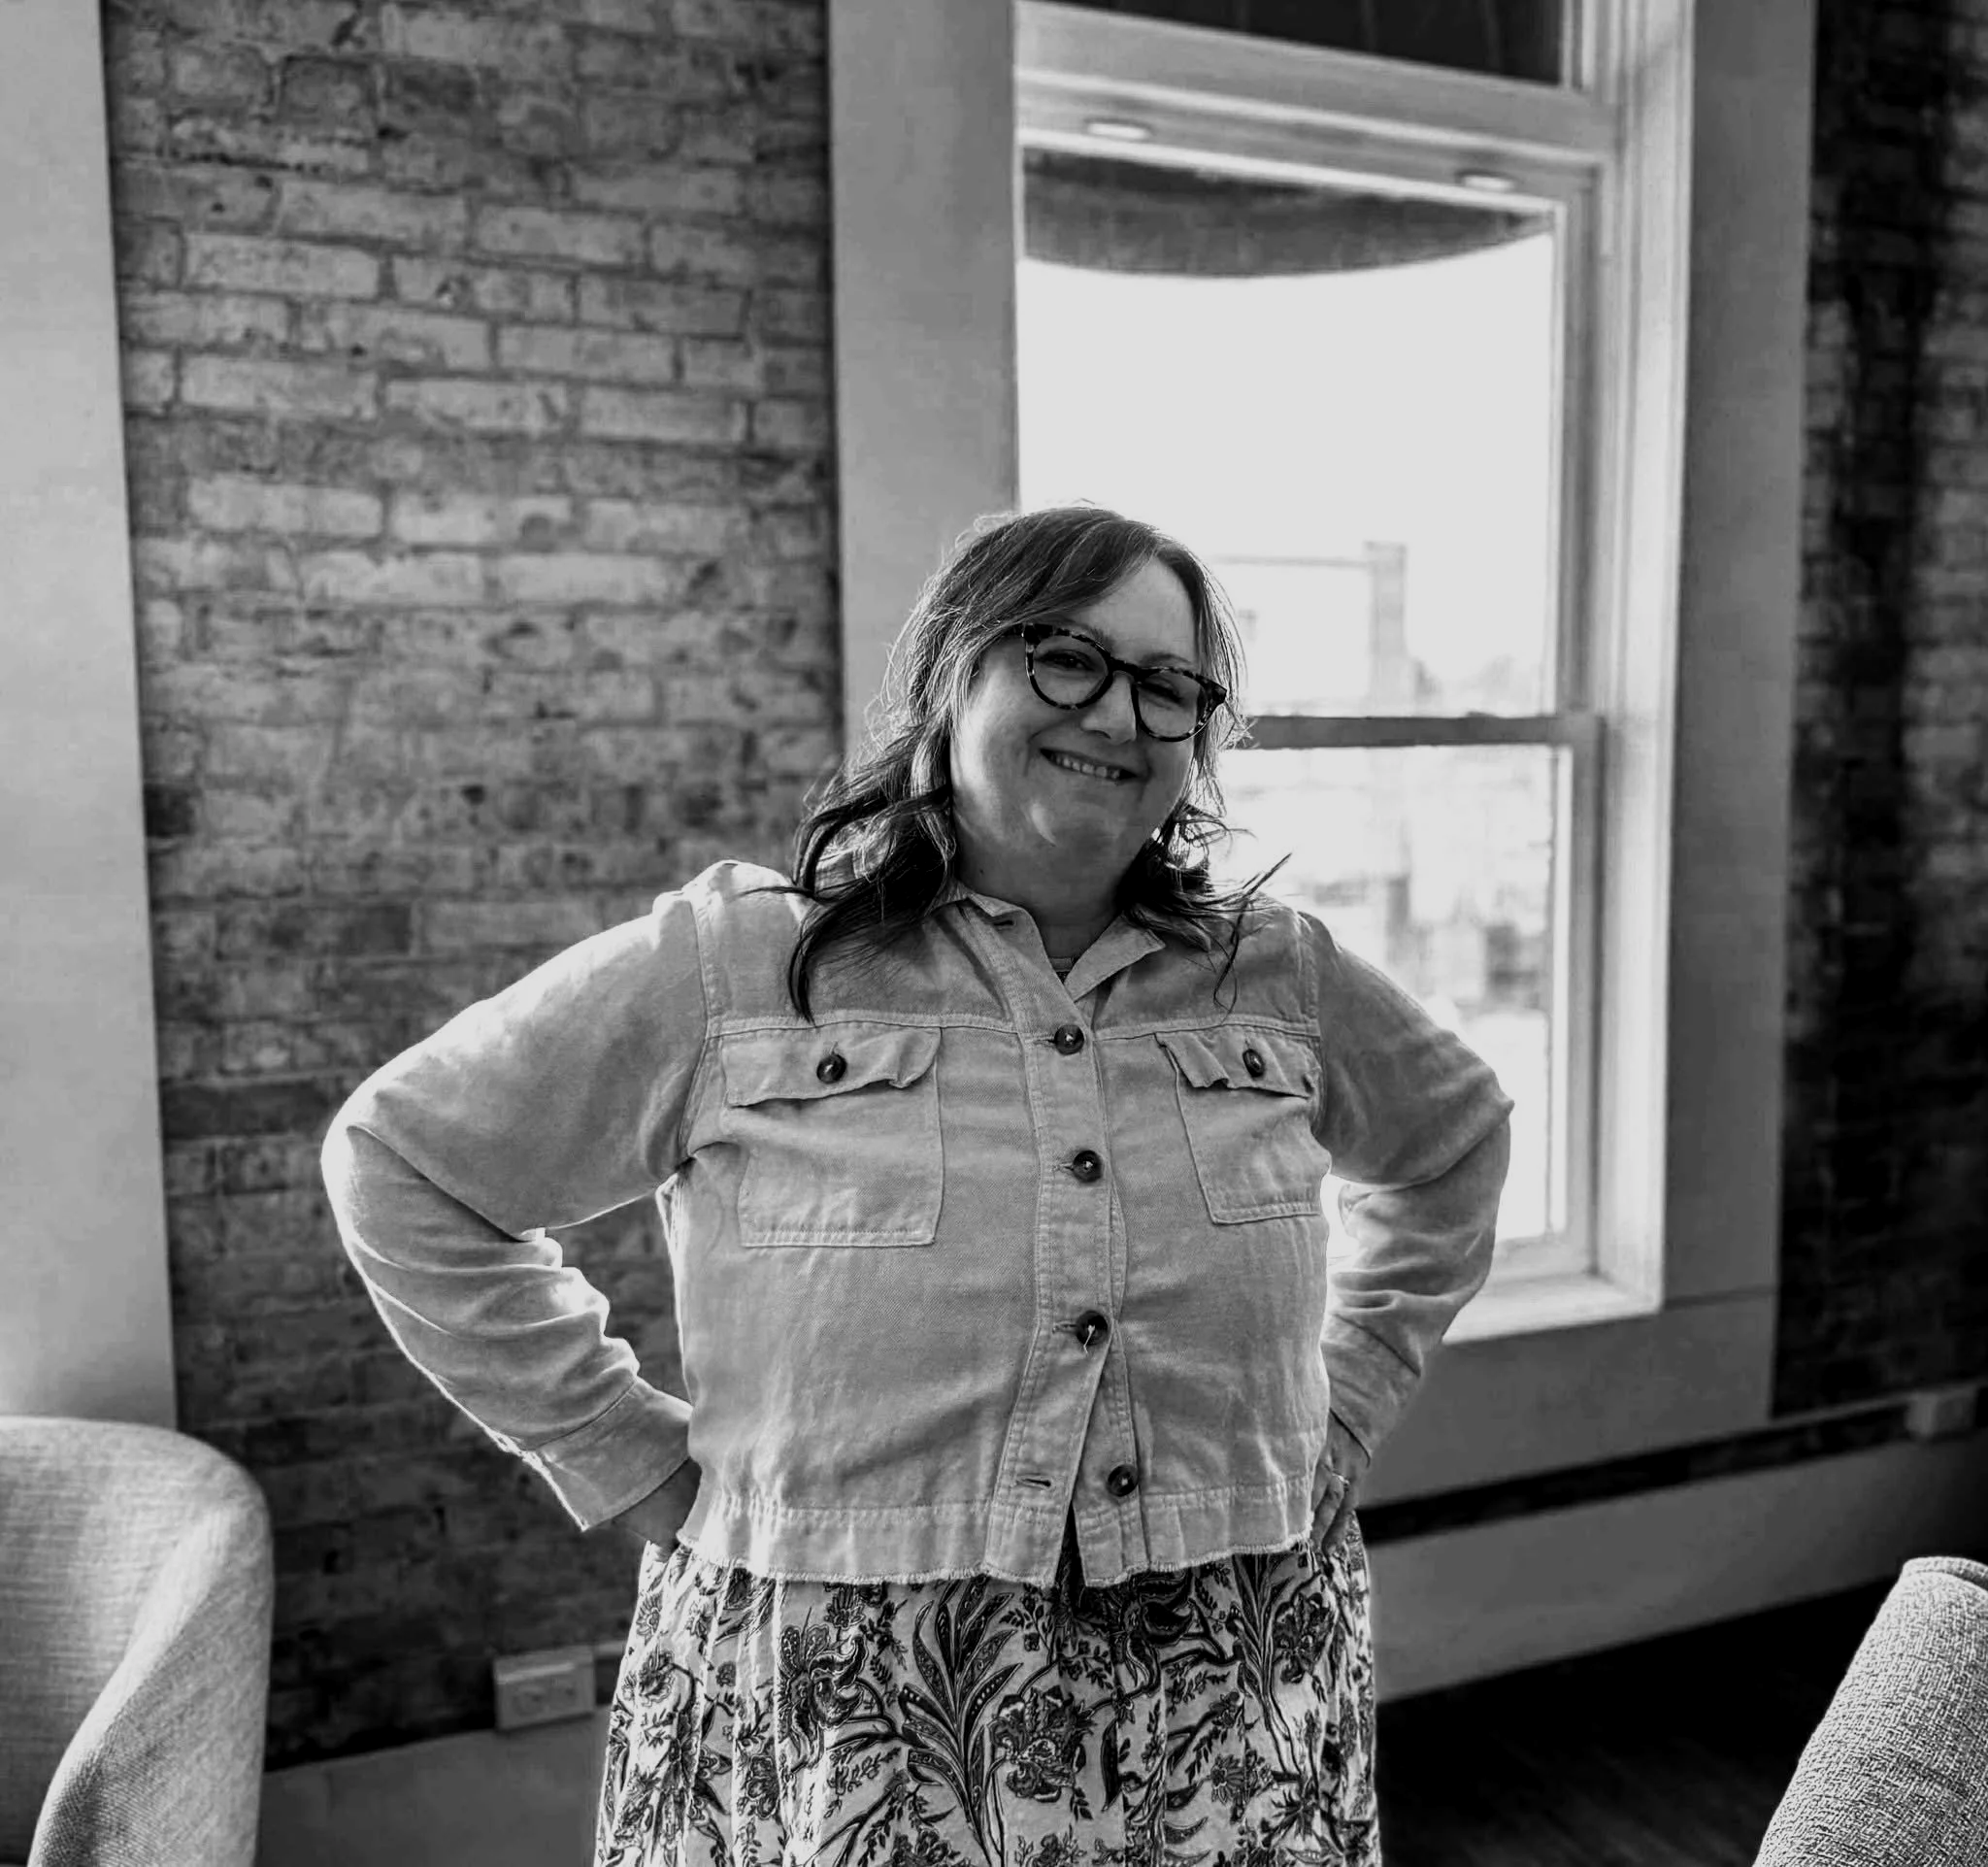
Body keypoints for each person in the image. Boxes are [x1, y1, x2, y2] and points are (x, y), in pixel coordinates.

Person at [321, 503, 1513, 1867]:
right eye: (1065, 658)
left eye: (1168, 684)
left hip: (1227, 1694)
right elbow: (402, 1159)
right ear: (957, 672)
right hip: (844, 1708)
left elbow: (1455, 1139)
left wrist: (1347, 1402)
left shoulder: (1281, 975)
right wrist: (619, 1451)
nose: (1119, 714)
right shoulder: (740, 969)